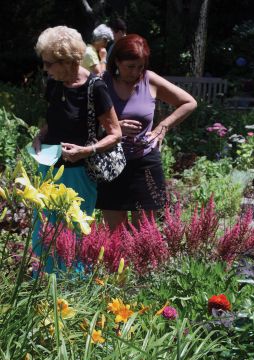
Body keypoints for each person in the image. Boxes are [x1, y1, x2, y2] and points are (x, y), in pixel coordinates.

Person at [32, 25, 121, 272]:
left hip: (79, 173)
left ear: (67, 61)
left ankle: (73, 294)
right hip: (48, 169)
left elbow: (116, 134)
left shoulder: (95, 87)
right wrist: (39, 137)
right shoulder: (53, 84)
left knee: (75, 235)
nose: (45, 69)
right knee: (45, 232)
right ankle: (44, 288)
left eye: (49, 64)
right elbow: (52, 120)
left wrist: (86, 150)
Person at [96, 34, 197, 231]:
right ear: (117, 61)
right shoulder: (101, 83)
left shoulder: (149, 80)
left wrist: (162, 127)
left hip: (145, 163)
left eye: (140, 66)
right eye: (130, 67)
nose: (136, 72)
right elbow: (84, 121)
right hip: (111, 162)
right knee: (115, 233)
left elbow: (189, 102)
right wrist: (113, 128)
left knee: (144, 232)